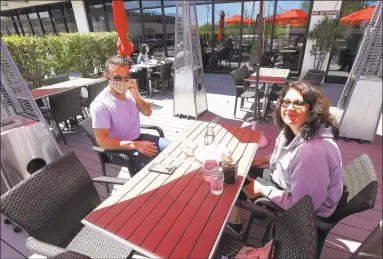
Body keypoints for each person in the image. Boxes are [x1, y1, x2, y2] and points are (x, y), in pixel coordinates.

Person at [227, 81, 343, 235]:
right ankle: (257, 209)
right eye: (286, 102)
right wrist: (262, 160)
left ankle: (235, 225)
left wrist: (263, 189)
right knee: (240, 169)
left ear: (313, 109)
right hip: (284, 182)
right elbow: (287, 157)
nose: (289, 108)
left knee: (234, 178)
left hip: (304, 212)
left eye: (298, 103)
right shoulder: (294, 130)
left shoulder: (312, 153)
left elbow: (302, 207)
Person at [90, 55, 170, 172]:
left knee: (174, 149)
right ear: (106, 76)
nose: (123, 81)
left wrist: (136, 95)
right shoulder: (101, 104)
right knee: (161, 166)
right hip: (118, 150)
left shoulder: (129, 92)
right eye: (117, 77)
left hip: (138, 139)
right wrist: (135, 145)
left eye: (127, 76)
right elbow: (103, 141)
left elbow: (148, 112)